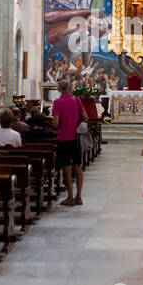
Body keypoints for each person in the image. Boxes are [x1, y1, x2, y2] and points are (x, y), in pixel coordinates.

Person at [52, 78, 86, 206]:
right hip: (76, 138)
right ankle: (79, 196)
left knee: (66, 167)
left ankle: (70, 197)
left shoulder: (57, 102)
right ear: (70, 88)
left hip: (64, 138)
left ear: (59, 90)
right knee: (78, 166)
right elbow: (86, 117)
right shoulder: (77, 100)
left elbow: (56, 123)